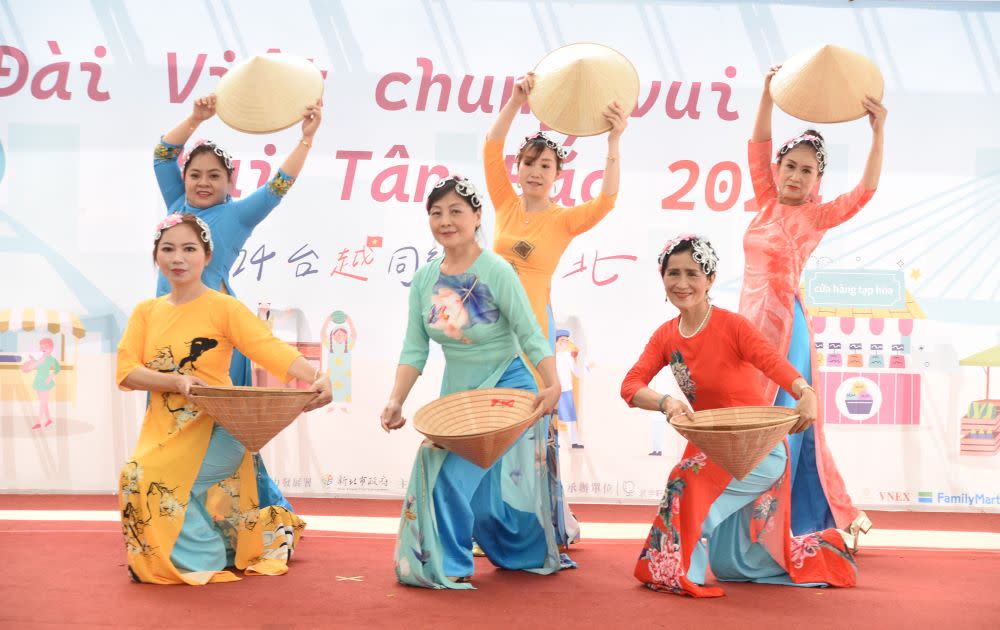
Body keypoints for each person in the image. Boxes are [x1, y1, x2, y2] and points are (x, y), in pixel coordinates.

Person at [620, 235, 856, 598]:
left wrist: (805, 392)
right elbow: (631, 385)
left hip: (756, 450)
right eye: (673, 273)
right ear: (662, 277)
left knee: (686, 478)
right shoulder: (666, 336)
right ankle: (825, 548)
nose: (682, 283)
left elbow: (772, 362)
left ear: (710, 279)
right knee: (732, 563)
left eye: (693, 274)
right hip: (712, 448)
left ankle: (678, 570)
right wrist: (666, 402)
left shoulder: (732, 326)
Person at [117, 213, 331, 585]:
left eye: (189, 249)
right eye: (168, 249)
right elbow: (126, 371)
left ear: (207, 256)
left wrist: (317, 377)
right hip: (166, 431)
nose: (178, 258)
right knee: (136, 476)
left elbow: (268, 348)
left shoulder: (223, 307)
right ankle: (223, 547)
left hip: (219, 426)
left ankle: (204, 557)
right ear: (156, 256)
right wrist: (175, 381)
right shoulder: (146, 312)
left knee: (158, 481)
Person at [380, 176, 563, 589]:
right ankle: (524, 550)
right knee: (483, 496)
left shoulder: (496, 270)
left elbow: (531, 333)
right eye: (436, 213)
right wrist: (395, 400)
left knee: (449, 474)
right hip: (459, 397)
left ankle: (449, 563)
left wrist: (552, 385)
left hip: (507, 389)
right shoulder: (425, 279)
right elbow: (414, 349)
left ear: (477, 216)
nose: (445, 221)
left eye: (455, 211)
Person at [152, 93, 322, 509]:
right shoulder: (177, 204)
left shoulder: (237, 215)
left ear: (230, 183)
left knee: (222, 433)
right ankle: (177, 509)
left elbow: (279, 185)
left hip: (215, 338)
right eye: (195, 174)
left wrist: (306, 138)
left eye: (215, 175)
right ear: (183, 179)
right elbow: (162, 154)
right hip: (168, 335)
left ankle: (255, 511)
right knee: (172, 426)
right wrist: (196, 118)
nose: (203, 182)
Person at [740, 65, 887, 547]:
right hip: (748, 328)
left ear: (817, 180)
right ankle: (751, 519)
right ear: (778, 169)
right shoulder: (765, 200)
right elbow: (757, 144)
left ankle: (784, 521)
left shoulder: (816, 217)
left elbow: (864, 192)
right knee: (748, 420)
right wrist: (767, 94)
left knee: (785, 425)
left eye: (807, 170)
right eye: (790, 166)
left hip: (787, 332)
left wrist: (877, 132)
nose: (796, 175)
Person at [484, 72, 627, 547]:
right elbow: (491, 146)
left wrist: (613, 141)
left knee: (530, 420)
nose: (535, 171)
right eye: (528, 162)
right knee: (490, 423)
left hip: (530, 333)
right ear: (519, 168)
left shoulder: (563, 221)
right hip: (490, 329)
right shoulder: (504, 205)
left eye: (546, 165)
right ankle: (489, 521)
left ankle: (541, 522)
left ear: (557, 175)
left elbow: (606, 200)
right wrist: (515, 102)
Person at [21, 337, 60, 429]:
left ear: (51, 348)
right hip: (38, 381)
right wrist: (33, 360)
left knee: (42, 403)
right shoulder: (41, 358)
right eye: (41, 347)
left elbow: (58, 368)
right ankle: (49, 419)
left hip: (46, 382)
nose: (43, 349)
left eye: (45, 347)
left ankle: (38, 422)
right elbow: (39, 366)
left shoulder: (52, 359)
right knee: (44, 402)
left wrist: (51, 376)